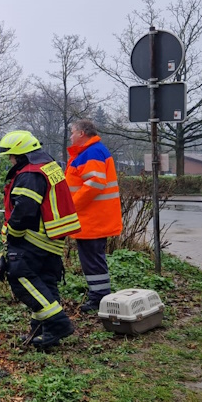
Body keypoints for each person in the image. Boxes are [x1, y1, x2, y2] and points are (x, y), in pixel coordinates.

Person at [0, 130, 82, 349]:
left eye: (11, 156)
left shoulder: (30, 174)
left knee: (21, 279)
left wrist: (11, 237)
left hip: (34, 237)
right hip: (52, 237)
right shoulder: (48, 165)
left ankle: (58, 323)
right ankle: (43, 331)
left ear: (21, 154)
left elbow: (24, 210)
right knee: (44, 283)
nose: (10, 161)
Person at [65, 119, 123, 312]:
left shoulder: (91, 152)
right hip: (92, 217)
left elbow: (95, 183)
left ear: (82, 133)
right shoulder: (91, 152)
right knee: (93, 259)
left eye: (73, 132)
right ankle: (98, 294)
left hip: (92, 218)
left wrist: (70, 205)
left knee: (92, 259)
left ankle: (99, 298)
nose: (71, 136)